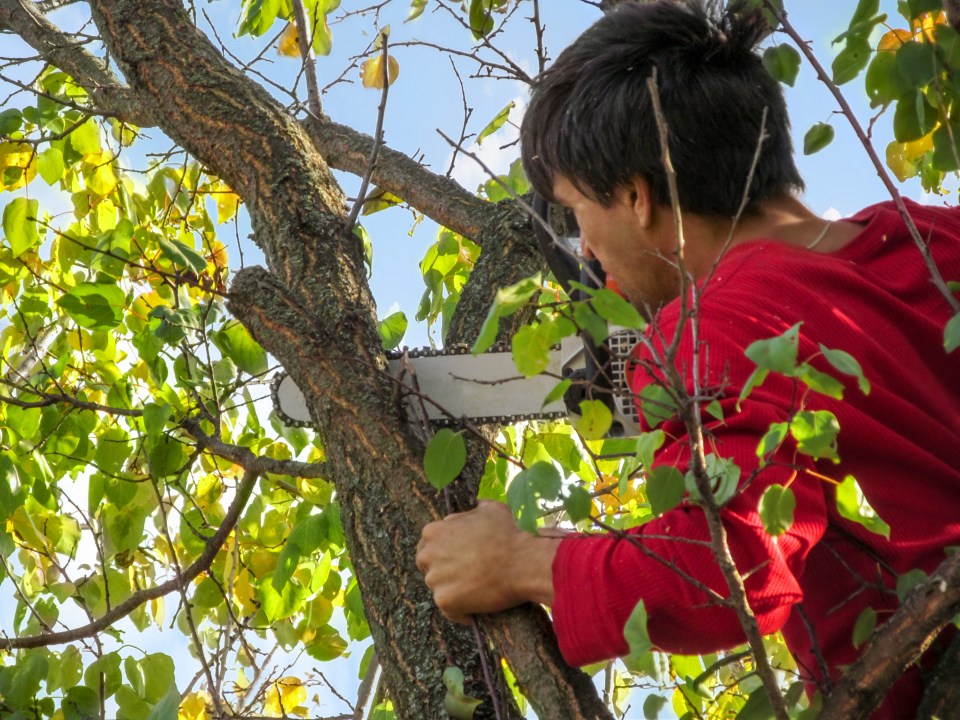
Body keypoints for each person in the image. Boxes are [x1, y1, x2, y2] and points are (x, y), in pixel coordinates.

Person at [415, 1, 960, 717]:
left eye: (580, 211)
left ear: (637, 197)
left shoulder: (712, 322)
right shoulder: (933, 235)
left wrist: (521, 561)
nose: (586, 249)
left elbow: (719, 568)